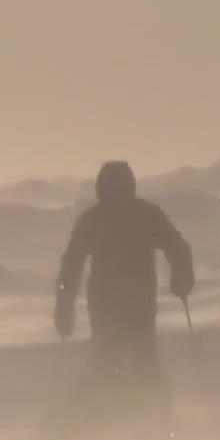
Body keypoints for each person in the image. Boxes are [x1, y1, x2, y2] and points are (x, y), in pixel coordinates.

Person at [54, 161, 194, 404]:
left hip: (127, 304)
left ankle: (144, 416)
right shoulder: (141, 216)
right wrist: (182, 276)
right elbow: (177, 247)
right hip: (121, 305)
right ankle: (140, 416)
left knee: (127, 361)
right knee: (124, 361)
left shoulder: (100, 219)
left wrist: (64, 306)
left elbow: (71, 267)